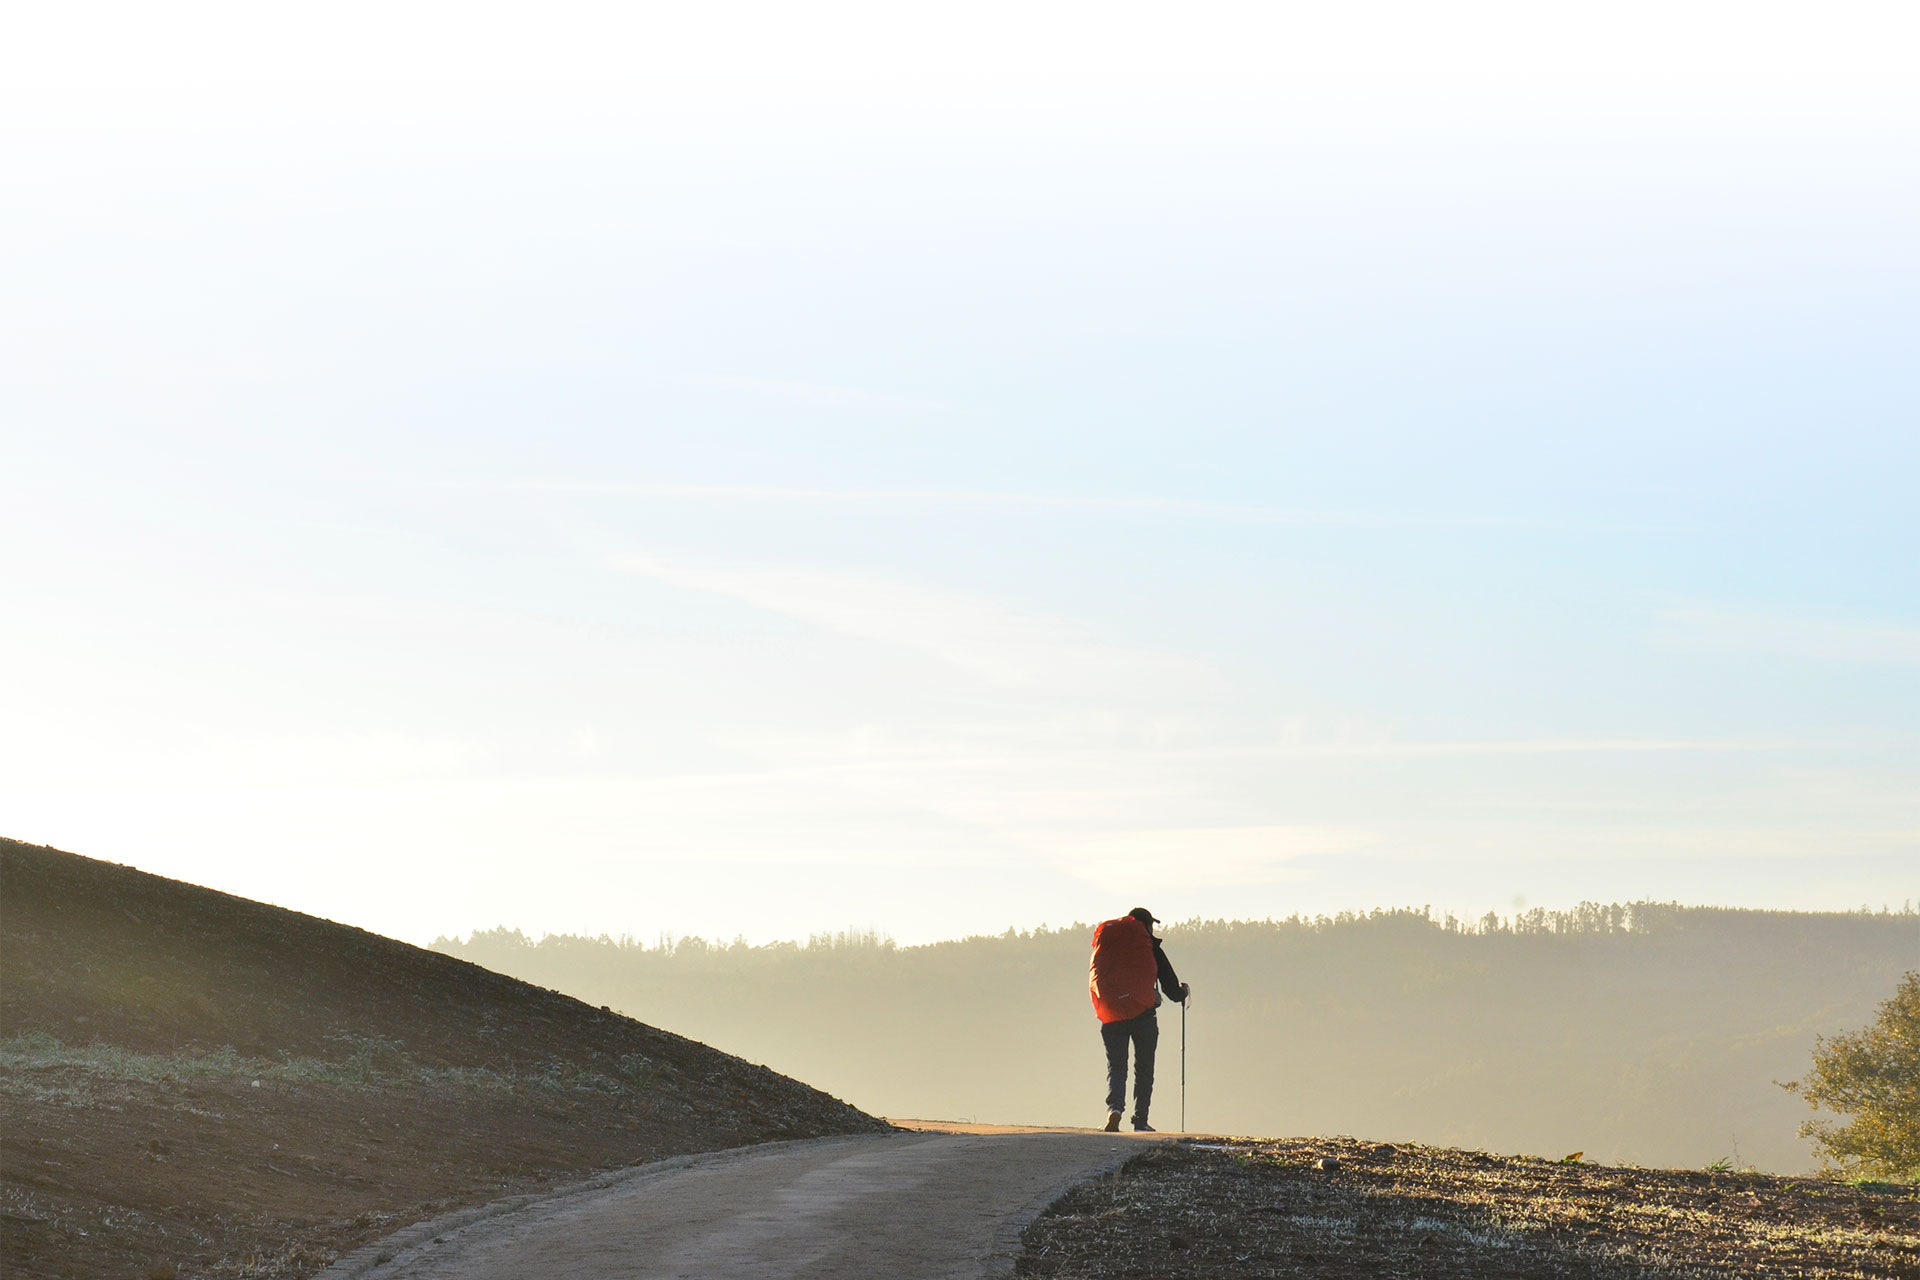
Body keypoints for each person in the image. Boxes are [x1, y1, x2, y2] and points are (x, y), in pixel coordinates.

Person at [1096, 907, 1188, 1133]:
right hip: (1143, 1016)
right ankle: (1140, 1120)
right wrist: (1182, 992)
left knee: (1117, 1066)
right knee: (1144, 1068)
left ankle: (1114, 1110)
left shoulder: (1108, 947)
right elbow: (1170, 986)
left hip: (1112, 1014)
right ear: (1145, 926)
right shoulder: (1149, 948)